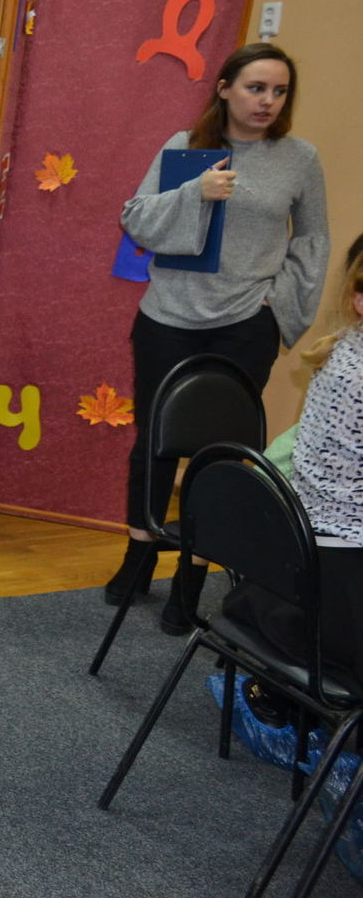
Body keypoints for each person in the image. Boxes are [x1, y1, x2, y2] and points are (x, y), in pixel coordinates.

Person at [109, 42, 329, 634]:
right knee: (154, 440)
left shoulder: (299, 158)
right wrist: (195, 193)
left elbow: (312, 240)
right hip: (168, 318)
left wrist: (278, 306)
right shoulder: (186, 146)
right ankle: (139, 554)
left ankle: (193, 574)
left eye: (279, 91)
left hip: (244, 323)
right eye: (256, 88)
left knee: (221, 453)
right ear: (226, 88)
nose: (267, 101)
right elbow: (137, 217)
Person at [219, 240, 363, 730]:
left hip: (299, 565)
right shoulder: (355, 372)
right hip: (330, 587)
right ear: (359, 300)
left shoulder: (345, 349)